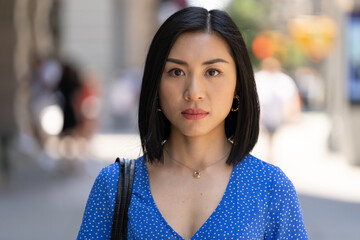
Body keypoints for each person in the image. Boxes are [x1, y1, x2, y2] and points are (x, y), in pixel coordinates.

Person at [78, 7, 308, 239]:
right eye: (176, 72)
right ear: (156, 85)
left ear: (238, 85)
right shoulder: (114, 186)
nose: (194, 92)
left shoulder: (271, 188)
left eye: (213, 72)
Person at [255, 58, 301, 163]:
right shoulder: (262, 78)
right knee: (267, 137)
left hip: (276, 114)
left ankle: (270, 155)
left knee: (272, 137)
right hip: (268, 114)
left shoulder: (281, 79)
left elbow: (291, 97)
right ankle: (269, 155)